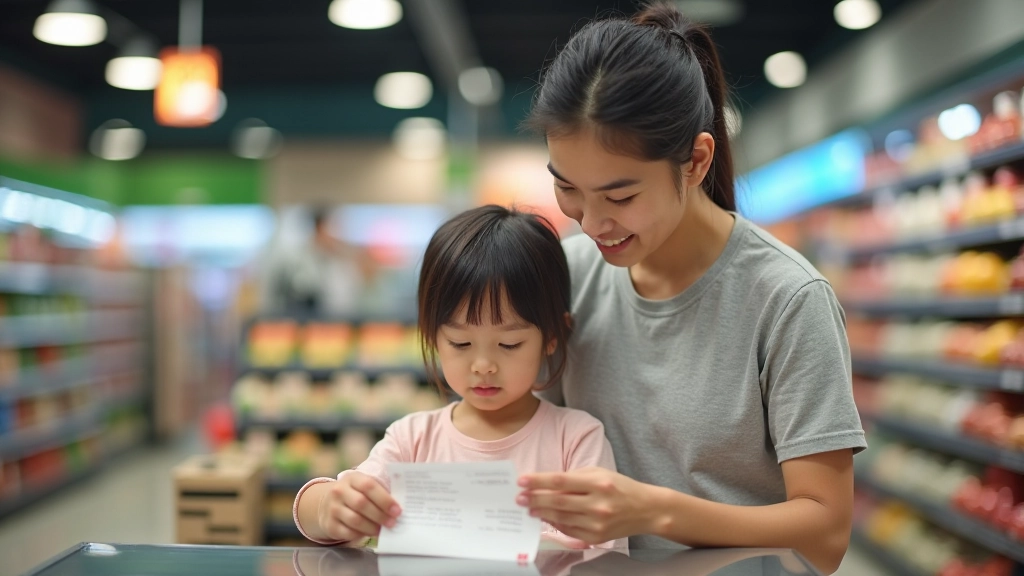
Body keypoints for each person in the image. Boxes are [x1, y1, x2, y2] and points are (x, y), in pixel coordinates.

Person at [513, 3, 866, 574]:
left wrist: (653, 512)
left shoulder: (787, 298)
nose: (592, 222)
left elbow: (825, 533)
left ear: (696, 161)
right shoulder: (566, 274)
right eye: (568, 188)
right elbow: (507, 430)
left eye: (621, 197)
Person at [292, 205, 625, 550]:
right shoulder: (413, 439)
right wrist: (329, 507)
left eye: (509, 344)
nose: (483, 365)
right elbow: (321, 511)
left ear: (553, 336)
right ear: (433, 336)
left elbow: (605, 554)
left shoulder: (576, 440)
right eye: (460, 343)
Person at [259, 207, 374, 316]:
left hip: (339, 326)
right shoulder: (297, 262)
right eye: (332, 229)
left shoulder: (342, 263)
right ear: (319, 229)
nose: (336, 236)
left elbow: (355, 294)